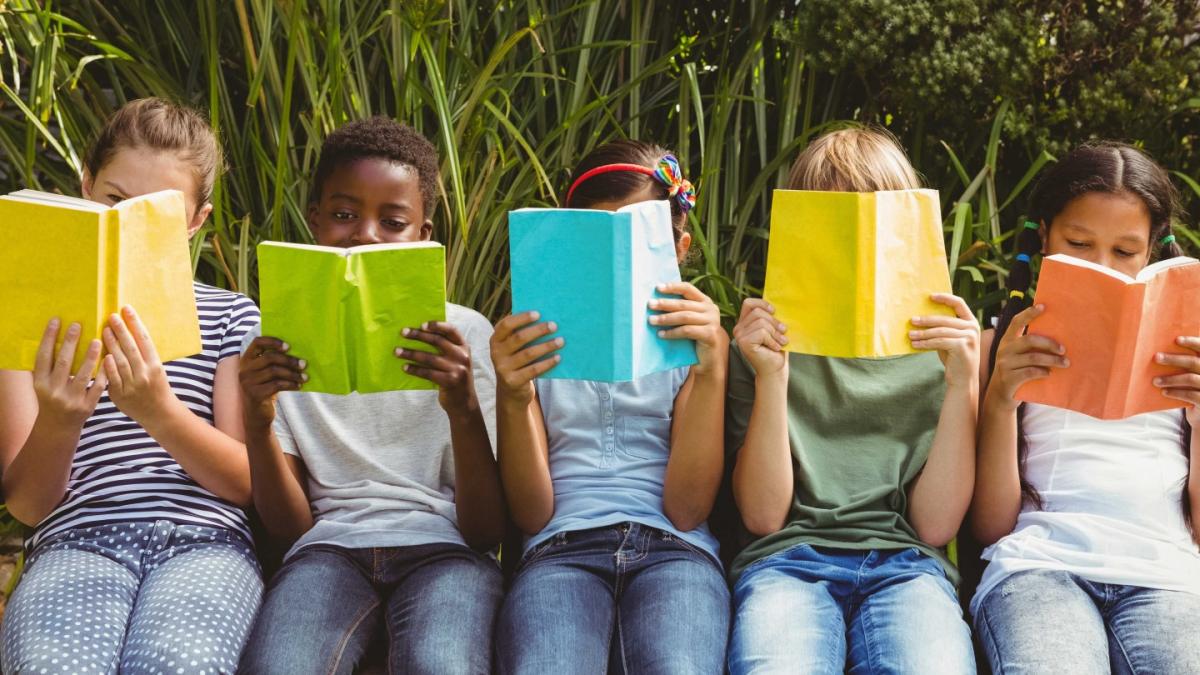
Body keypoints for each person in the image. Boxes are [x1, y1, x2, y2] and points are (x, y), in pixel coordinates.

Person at [0, 97, 262, 673]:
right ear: (87, 186)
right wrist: (60, 419)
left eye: (156, 213)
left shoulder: (231, 317)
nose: (127, 220)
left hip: (204, 545)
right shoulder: (27, 324)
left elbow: (249, 483)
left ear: (196, 220)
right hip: (77, 540)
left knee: (175, 664)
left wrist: (159, 410)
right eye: (115, 200)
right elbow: (26, 504)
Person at [237, 116, 505, 675]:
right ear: (314, 221)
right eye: (343, 214)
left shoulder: (464, 335)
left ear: (423, 237)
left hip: (446, 552)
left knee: (443, 664)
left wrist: (462, 409)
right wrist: (258, 422)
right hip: (327, 552)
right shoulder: (271, 340)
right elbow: (289, 529)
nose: (365, 234)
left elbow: (485, 531)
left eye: (393, 221)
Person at [726, 127, 979, 674]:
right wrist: (771, 378)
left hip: (909, 566)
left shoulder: (942, 350)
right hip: (785, 562)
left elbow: (935, 528)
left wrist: (963, 386)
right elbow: (764, 516)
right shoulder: (762, 344)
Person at [493, 140, 730, 674]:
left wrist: (712, 369)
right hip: (559, 548)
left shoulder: (696, 345)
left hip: (677, 550)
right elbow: (532, 513)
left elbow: (687, 509)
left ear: (679, 247)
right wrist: (514, 396)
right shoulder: (533, 339)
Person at [971, 142, 1200, 674]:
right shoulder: (1000, 347)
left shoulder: (1186, 356)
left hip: (1165, 575)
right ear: (1045, 236)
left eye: (1124, 252)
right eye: (1078, 244)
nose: (1103, 267)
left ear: (1152, 253)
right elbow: (989, 525)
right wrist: (1002, 397)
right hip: (1039, 568)